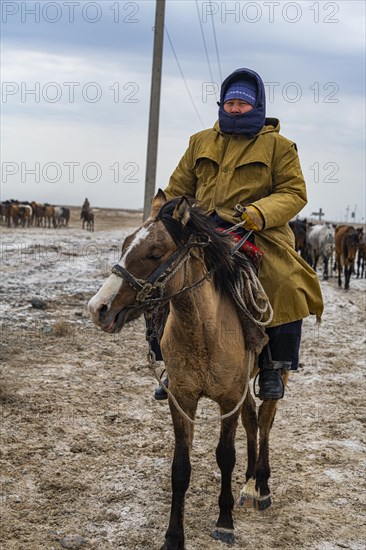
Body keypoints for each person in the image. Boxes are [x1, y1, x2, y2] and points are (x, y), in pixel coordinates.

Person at [153, 67, 324, 401]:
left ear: (256, 105)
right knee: (159, 275)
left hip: (255, 231)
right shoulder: (200, 141)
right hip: (201, 229)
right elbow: (179, 189)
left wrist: (259, 213)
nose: (234, 108)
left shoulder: (280, 146)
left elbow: (293, 193)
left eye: (242, 103)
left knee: (286, 281)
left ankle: (274, 364)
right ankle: (170, 364)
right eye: (230, 102)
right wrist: (167, 215)